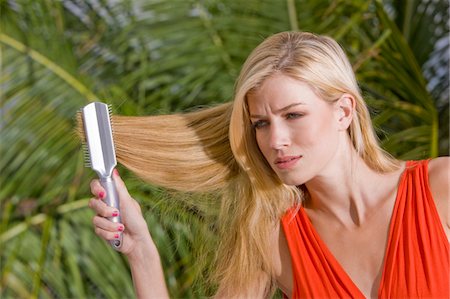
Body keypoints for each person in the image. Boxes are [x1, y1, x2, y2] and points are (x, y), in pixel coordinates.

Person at [87, 31, 449, 298]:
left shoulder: (440, 188)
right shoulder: (273, 239)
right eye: (261, 123)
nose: (275, 141)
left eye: (293, 115)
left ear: (343, 111)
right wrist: (141, 253)